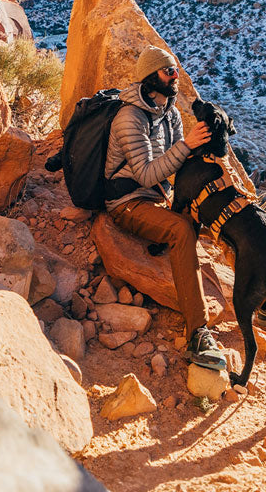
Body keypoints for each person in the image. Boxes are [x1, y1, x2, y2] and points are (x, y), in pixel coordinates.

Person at [105, 45, 226, 370]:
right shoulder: (129, 117)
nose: (176, 76)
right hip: (127, 202)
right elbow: (145, 173)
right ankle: (198, 333)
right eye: (168, 71)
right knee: (182, 229)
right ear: (149, 77)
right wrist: (187, 145)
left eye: (175, 69)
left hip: (158, 196)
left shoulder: (170, 112)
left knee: (210, 211)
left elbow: (174, 166)